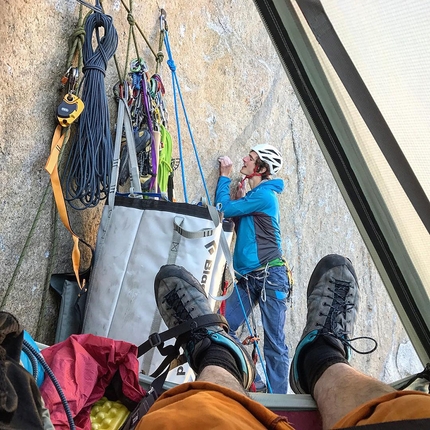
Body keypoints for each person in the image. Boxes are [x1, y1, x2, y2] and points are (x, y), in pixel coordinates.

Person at [136, 254, 430, 430]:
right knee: (403, 417)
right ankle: (321, 358)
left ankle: (218, 356)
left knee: (197, 421)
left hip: (266, 279)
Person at [214, 143, 291, 393]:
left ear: (261, 168)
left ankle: (280, 401)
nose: (245, 159)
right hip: (251, 278)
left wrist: (224, 178)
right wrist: (240, 201)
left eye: (251, 157)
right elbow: (240, 221)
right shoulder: (254, 197)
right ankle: (257, 381)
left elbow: (222, 209)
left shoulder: (264, 196)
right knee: (223, 326)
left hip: (270, 277)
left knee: (275, 343)